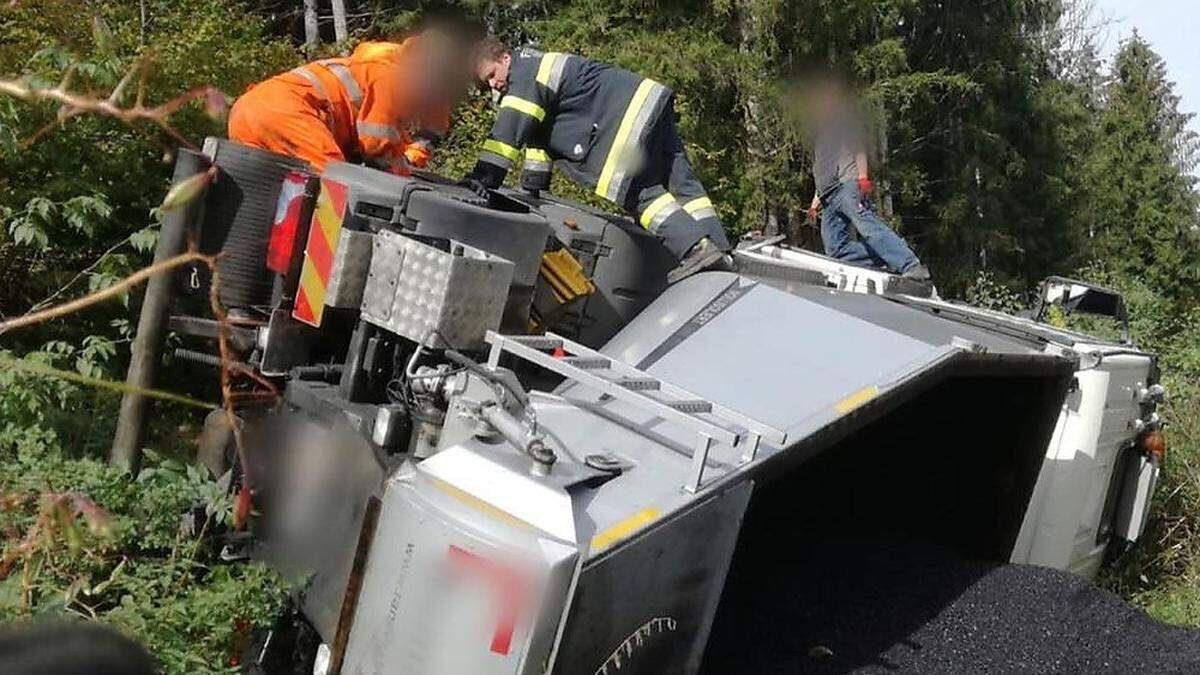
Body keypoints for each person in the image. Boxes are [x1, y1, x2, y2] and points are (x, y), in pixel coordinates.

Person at [463, 38, 731, 282]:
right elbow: (536, 138)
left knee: (637, 193)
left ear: (505, 59)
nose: (493, 84)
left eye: (491, 75)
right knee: (681, 182)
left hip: (618, 119)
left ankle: (696, 248)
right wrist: (533, 189)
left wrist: (482, 179)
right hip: (649, 101)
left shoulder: (524, 75)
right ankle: (719, 250)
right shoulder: (539, 65)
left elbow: (506, 136)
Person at [228, 28, 471, 174]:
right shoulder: (390, 76)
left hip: (247, 111)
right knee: (335, 183)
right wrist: (403, 176)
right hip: (285, 114)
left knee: (264, 199)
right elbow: (377, 146)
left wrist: (414, 152)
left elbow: (422, 124)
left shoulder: (383, 68)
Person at [806, 75, 930, 280]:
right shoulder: (821, 140)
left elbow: (858, 149)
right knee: (835, 250)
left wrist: (863, 178)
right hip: (828, 197)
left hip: (846, 186)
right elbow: (822, 174)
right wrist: (814, 204)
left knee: (867, 226)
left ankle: (909, 263)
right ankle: (887, 256)